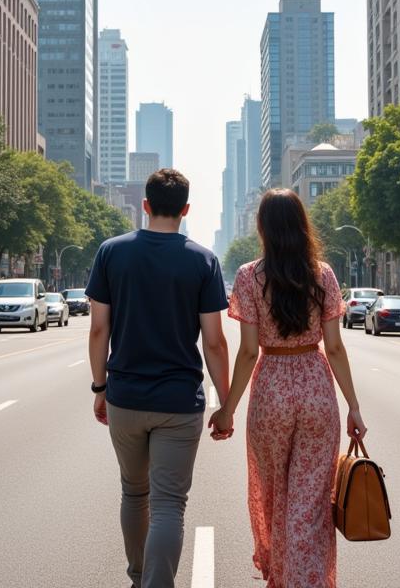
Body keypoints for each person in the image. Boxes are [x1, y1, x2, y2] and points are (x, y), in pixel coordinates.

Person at [209, 188, 366, 588]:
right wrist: (354, 406)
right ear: (302, 224)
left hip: (271, 390)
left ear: (262, 227)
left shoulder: (248, 276)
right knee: (310, 504)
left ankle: (283, 578)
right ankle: (306, 580)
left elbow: (247, 353)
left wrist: (227, 409)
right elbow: (334, 346)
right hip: (316, 388)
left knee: (275, 497)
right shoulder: (323, 274)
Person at [86, 169, 230, 588]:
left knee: (134, 493)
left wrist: (99, 388)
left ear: (146, 206)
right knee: (169, 504)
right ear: (186, 210)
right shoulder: (203, 260)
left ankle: (137, 578)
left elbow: (99, 330)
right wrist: (225, 402)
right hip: (179, 402)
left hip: (125, 396)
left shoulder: (111, 252)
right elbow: (215, 342)